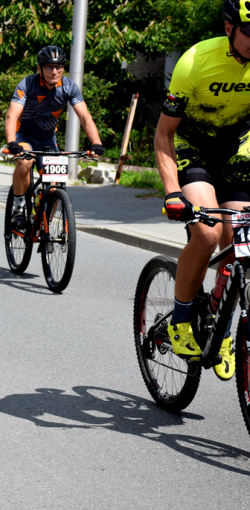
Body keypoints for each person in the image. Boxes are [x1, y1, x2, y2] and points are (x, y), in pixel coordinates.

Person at [153, 0, 250, 381]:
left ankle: (223, 326)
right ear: (229, 28)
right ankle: (180, 317)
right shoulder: (195, 62)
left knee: (240, 240)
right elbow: (164, 134)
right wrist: (172, 191)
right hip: (193, 147)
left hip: (236, 149)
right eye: (249, 33)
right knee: (209, 231)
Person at [4, 45, 104, 228]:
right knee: (24, 162)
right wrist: (12, 142)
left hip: (49, 139)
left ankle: (45, 226)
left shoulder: (68, 87)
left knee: (56, 185)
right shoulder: (27, 84)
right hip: (24, 135)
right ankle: (18, 209)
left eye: (59, 67)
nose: (54, 71)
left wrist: (96, 143)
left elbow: (84, 116)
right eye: (49, 66)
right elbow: (12, 115)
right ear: (39, 68)